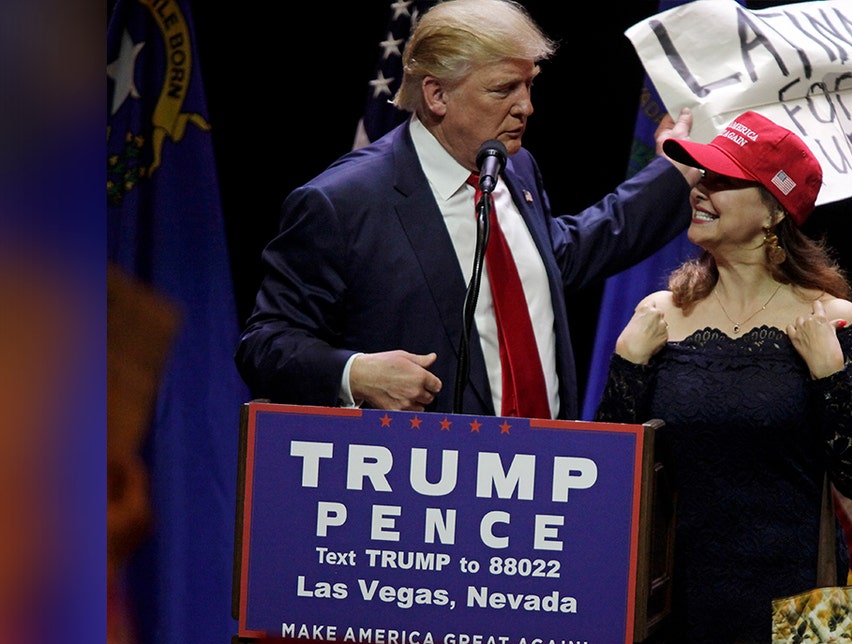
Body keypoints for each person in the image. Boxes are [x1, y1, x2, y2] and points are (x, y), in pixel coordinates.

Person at [234, 0, 695, 419]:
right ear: (437, 95)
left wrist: (673, 171)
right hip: (426, 485)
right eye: (504, 89)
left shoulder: (512, 165)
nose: (527, 107)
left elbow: (558, 258)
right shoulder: (342, 202)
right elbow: (266, 344)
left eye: (530, 85)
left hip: (549, 477)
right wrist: (354, 374)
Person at [594, 110, 852, 644]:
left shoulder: (833, 320)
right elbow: (610, 480)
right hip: (675, 609)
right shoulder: (657, 317)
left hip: (807, 613)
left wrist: (829, 374)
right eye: (701, 176)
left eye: (722, 180)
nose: (700, 190)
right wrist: (628, 364)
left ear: (775, 210)